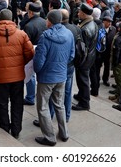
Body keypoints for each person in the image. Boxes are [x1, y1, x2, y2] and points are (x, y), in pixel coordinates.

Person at [0, 9, 34, 139]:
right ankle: (16, 129)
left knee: (2, 102)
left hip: (0, 76)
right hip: (18, 76)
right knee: (17, 102)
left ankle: (4, 126)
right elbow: (30, 53)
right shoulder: (22, 34)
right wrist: (20, 63)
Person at [33, 10, 75, 146]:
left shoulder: (45, 36)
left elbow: (39, 61)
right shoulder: (69, 34)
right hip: (61, 75)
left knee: (43, 107)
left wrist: (37, 70)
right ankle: (64, 133)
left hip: (47, 77)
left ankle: (49, 137)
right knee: (59, 105)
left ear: (49, 21)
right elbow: (71, 55)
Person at [73, 3, 98, 111]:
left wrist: (78, 61)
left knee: (83, 80)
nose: (78, 14)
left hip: (85, 59)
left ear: (83, 14)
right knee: (82, 79)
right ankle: (81, 94)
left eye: (79, 12)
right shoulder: (92, 23)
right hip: (90, 57)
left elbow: (82, 49)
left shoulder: (85, 29)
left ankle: (84, 102)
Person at [23, 3, 47, 106]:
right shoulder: (44, 22)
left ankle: (30, 97)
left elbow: (25, 43)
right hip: (44, 49)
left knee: (30, 74)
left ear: (31, 12)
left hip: (33, 49)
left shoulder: (29, 25)